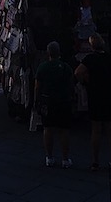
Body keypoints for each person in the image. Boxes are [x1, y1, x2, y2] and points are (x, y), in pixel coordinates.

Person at [74, 34, 111, 171]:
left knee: (96, 130)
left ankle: (95, 161)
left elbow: (77, 72)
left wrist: (85, 82)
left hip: (95, 95)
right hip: (109, 94)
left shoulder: (90, 59)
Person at [35, 41, 74, 169]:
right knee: (64, 130)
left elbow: (37, 87)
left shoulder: (42, 67)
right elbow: (71, 84)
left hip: (48, 101)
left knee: (48, 129)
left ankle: (49, 157)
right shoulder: (66, 67)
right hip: (63, 101)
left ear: (48, 53)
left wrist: (37, 101)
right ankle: (65, 158)